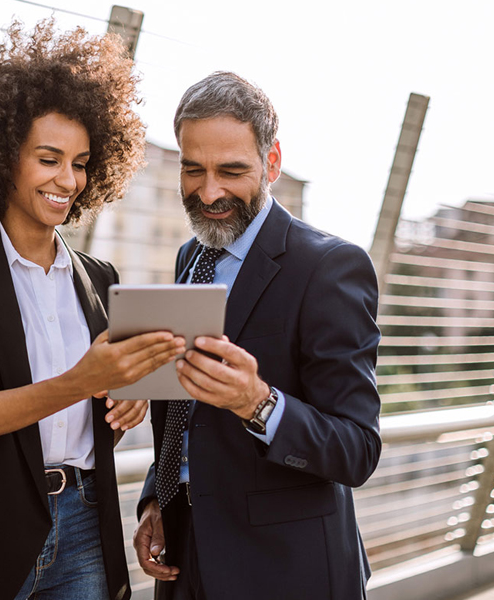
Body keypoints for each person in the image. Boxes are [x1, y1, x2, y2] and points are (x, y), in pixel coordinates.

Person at [0, 21, 185, 600]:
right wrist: (80, 381)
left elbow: (95, 418)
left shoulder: (99, 278)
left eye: (81, 162)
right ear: (1, 156)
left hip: (85, 521)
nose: (69, 180)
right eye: (49, 159)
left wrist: (126, 396)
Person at [133, 71, 382, 600]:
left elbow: (357, 450)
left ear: (271, 162)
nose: (209, 191)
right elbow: (185, 412)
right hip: (187, 559)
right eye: (193, 169)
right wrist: (159, 497)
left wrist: (258, 402)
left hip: (287, 572)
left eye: (231, 170)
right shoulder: (189, 258)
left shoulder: (331, 267)